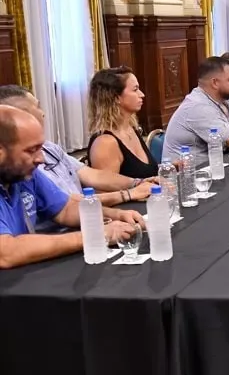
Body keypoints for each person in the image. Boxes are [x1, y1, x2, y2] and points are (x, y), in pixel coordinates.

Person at [0, 106, 142, 269]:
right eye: (31, 150)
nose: (41, 159)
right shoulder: (20, 170)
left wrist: (117, 215)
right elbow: (6, 253)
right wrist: (96, 235)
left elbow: (65, 209)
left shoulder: (23, 173)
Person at [0, 86, 153, 207]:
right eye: (38, 107)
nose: (43, 113)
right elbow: (65, 205)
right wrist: (128, 194)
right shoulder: (19, 167)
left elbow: (92, 175)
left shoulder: (50, 148)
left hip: (81, 218)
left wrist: (137, 182)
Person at [163, 57, 229, 166]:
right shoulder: (197, 107)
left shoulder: (227, 101)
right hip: (191, 173)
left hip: (217, 166)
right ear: (215, 83)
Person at [86, 67, 159, 180]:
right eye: (135, 90)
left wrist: (171, 167)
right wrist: (141, 186)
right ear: (116, 97)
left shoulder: (131, 128)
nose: (142, 94)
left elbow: (144, 173)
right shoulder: (105, 143)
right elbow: (105, 189)